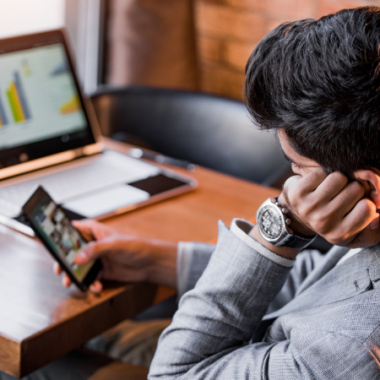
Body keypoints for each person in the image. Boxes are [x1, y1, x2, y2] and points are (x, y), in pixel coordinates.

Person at [2, 5, 380, 379]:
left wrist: (282, 225)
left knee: (40, 366)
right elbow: (324, 283)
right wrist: (153, 260)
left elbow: (173, 374)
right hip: (256, 342)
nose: (291, 185)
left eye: (297, 167)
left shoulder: (348, 352)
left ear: (369, 188)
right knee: (104, 336)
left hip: (225, 358)